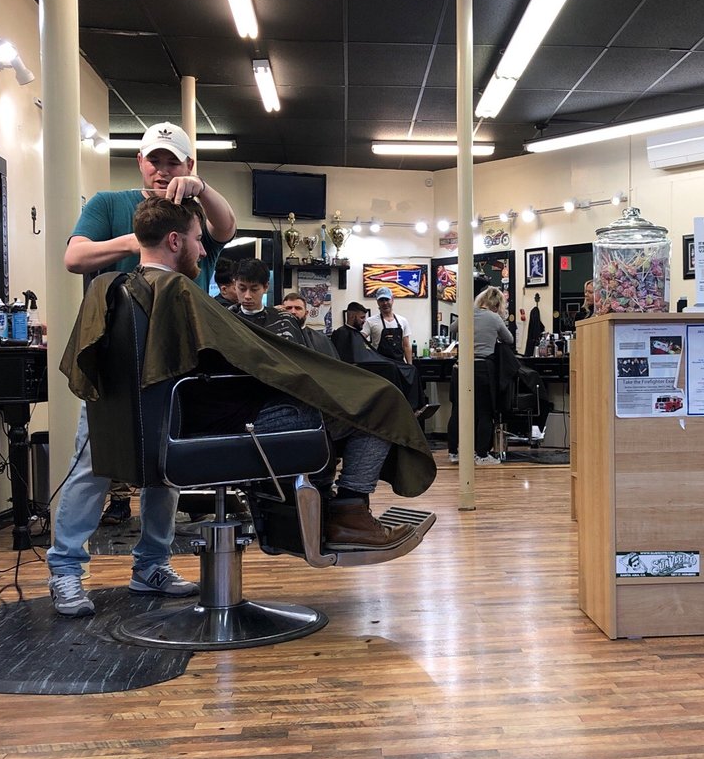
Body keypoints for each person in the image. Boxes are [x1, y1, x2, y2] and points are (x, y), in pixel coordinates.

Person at [63, 198, 435, 570]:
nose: (203, 250)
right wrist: (303, 376)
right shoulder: (176, 291)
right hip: (231, 424)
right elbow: (253, 357)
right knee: (378, 400)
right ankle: (350, 513)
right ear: (174, 241)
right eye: (198, 239)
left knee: (349, 398)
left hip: (182, 424)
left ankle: (333, 512)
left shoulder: (116, 289)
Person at [47, 122, 237, 617]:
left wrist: (202, 189)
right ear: (140, 161)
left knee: (165, 467)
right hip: (116, 359)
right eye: (155, 160)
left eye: (174, 162)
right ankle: (65, 569)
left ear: (188, 165)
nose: (163, 170)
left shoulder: (195, 212)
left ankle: (151, 564)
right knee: (93, 464)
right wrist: (141, 241)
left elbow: (227, 228)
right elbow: (74, 256)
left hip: (177, 358)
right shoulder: (109, 204)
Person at [447, 285, 513, 466]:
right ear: (497, 305)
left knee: (458, 411)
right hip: (482, 368)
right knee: (485, 412)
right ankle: (481, 455)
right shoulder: (495, 318)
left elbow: (452, 328)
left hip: (460, 368)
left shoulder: (468, 314)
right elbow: (509, 339)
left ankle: (453, 452)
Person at [281, 289, 339, 358]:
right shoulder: (275, 336)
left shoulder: (322, 340)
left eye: (298, 308)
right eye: (288, 308)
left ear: (306, 313)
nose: (293, 312)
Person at [363, 286, 412, 364]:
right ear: (377, 302)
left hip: (399, 366)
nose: (385, 303)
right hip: (380, 366)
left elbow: (406, 346)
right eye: (381, 300)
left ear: (392, 300)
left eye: (387, 299)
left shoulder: (403, 321)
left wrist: (410, 365)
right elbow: (360, 340)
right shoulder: (370, 321)